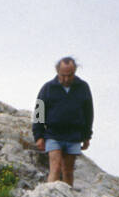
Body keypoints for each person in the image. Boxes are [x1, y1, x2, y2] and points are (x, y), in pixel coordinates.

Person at [32, 57, 94, 185]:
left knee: (68, 171)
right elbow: (39, 112)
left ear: (75, 71)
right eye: (63, 75)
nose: (66, 79)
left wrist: (87, 136)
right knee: (55, 167)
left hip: (74, 136)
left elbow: (88, 113)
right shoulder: (47, 88)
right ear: (57, 71)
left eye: (70, 75)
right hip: (53, 134)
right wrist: (38, 136)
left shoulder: (83, 87)